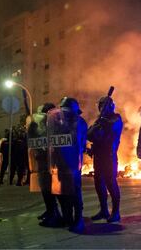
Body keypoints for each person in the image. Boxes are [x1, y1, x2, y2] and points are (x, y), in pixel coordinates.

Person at [48, 97, 87, 233]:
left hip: (72, 163)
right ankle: (67, 218)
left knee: (75, 191)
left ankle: (79, 220)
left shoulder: (79, 123)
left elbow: (80, 143)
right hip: (59, 163)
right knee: (61, 191)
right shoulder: (57, 123)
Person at [87, 96, 123, 222]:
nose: (102, 107)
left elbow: (112, 128)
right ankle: (103, 210)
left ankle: (116, 212)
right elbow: (89, 134)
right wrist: (98, 122)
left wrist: (101, 120)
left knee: (111, 183)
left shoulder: (115, 118)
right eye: (101, 105)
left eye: (105, 105)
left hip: (109, 156)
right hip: (98, 156)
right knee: (98, 183)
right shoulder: (100, 120)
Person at [27, 103, 63, 227]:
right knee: (46, 190)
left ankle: (55, 215)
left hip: (50, 163)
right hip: (44, 163)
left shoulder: (54, 125)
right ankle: (51, 212)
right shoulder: (44, 126)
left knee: (50, 191)